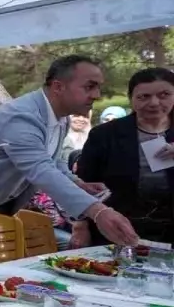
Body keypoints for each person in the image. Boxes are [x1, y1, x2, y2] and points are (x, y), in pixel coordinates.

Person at [0, 55, 139, 246]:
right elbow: (40, 169)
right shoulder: (22, 118)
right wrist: (98, 211)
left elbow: (53, 159)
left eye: (98, 87)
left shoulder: (62, 119)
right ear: (58, 87)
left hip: (3, 209)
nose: (97, 95)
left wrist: (77, 182)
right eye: (89, 86)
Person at [75, 68, 174, 247]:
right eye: (143, 97)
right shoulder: (105, 135)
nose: (154, 103)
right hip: (117, 229)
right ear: (131, 98)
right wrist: (80, 227)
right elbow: (83, 183)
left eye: (164, 95)